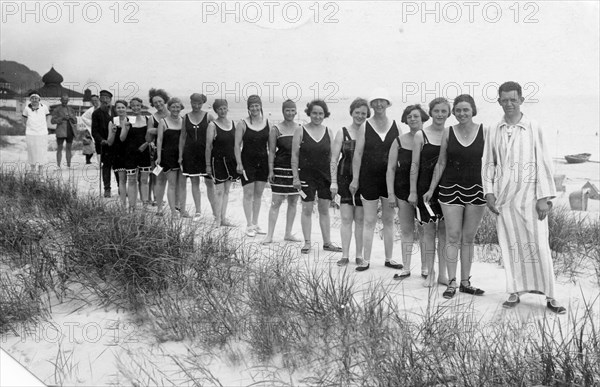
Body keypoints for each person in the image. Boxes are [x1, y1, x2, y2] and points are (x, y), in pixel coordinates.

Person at [483, 81, 565, 314]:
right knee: (511, 246)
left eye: (513, 99)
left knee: (539, 245)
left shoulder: (533, 126)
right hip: (504, 199)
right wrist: (488, 192)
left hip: (531, 197)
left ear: (521, 100)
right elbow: (488, 163)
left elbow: (544, 162)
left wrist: (544, 197)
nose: (509, 103)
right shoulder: (493, 129)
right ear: (499, 101)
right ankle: (515, 291)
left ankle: (550, 295)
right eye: (504, 100)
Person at [424, 95, 486, 299]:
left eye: (465, 110)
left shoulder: (485, 131)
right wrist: (432, 189)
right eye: (458, 110)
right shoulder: (449, 132)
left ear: (473, 110)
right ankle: (451, 282)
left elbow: (492, 163)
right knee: (452, 236)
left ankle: (465, 282)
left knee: (468, 238)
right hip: (450, 189)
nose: (461, 113)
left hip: (477, 189)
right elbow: (441, 163)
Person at [350, 89, 402, 271]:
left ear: (388, 104)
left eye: (383, 101)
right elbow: (358, 154)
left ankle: (389, 259)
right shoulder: (365, 125)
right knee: (369, 221)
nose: (379, 104)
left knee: (389, 220)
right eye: (376, 101)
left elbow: (401, 154)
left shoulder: (396, 125)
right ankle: (366, 260)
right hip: (368, 178)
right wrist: (355, 179)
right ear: (371, 105)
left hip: (389, 182)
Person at [387, 104, 440, 282]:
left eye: (416, 116)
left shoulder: (430, 138)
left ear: (424, 118)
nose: (413, 119)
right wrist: (390, 194)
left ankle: (426, 268)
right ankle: (406, 267)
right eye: (409, 116)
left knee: (426, 230)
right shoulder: (399, 141)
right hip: (403, 191)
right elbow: (391, 168)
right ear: (405, 119)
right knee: (407, 230)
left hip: (424, 191)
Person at [404, 101, 448, 286]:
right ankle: (430, 272)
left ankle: (443, 275)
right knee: (428, 232)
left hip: (446, 188)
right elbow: (414, 165)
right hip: (424, 190)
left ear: (448, 113)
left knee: (445, 233)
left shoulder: (450, 134)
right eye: (436, 111)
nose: (440, 114)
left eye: (443, 111)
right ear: (430, 113)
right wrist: (413, 191)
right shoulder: (421, 135)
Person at [291, 100, 342, 254]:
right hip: (306, 176)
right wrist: (295, 177)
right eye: (314, 113)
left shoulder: (329, 131)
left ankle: (327, 243)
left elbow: (333, 158)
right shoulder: (300, 130)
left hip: (325, 176)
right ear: (309, 113)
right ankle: (307, 243)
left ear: (325, 114)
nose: (317, 116)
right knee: (307, 209)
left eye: (320, 113)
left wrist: (334, 180)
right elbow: (294, 155)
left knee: (324, 210)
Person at [330, 98, 368, 266]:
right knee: (346, 218)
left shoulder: (369, 133)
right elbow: (333, 159)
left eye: (363, 113)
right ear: (351, 113)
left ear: (368, 115)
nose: (360, 116)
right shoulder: (342, 132)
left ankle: (359, 255)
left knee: (360, 220)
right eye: (357, 112)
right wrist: (333, 182)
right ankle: (345, 255)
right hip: (344, 179)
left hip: (363, 181)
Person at [262, 99, 302, 244]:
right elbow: (271, 151)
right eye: (287, 110)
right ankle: (269, 235)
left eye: (292, 110)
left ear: (296, 111)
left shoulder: (300, 128)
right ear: (283, 111)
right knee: (276, 202)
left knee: (293, 201)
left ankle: (288, 233)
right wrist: (270, 170)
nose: (290, 113)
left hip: (295, 170)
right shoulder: (275, 129)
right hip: (279, 169)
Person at [235, 95, 269, 236]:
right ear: (248, 108)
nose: (254, 108)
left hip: (263, 162)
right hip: (247, 162)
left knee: (258, 194)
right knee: (248, 194)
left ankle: (255, 223)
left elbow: (271, 146)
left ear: (260, 106)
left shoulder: (268, 123)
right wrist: (239, 163)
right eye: (252, 106)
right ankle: (249, 224)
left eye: (257, 105)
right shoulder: (242, 123)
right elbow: (237, 145)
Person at [179, 93, 216, 218]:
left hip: (205, 153)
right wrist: (180, 155)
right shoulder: (186, 117)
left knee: (209, 183)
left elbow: (216, 133)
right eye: (194, 103)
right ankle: (198, 210)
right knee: (194, 182)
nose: (196, 105)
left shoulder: (208, 116)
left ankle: (215, 211)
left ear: (203, 103)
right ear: (190, 102)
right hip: (190, 154)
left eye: (199, 103)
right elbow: (182, 137)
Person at [205, 99, 238, 226]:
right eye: (219, 109)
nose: (222, 111)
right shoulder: (212, 125)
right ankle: (217, 219)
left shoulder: (233, 124)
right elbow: (208, 147)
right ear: (216, 110)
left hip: (230, 160)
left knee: (226, 191)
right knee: (218, 191)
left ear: (227, 108)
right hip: (217, 161)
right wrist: (208, 165)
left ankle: (224, 218)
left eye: (224, 108)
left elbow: (236, 145)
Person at [156, 97, 187, 217]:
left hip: (182, 156)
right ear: (168, 108)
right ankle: (173, 211)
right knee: (172, 184)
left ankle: (182, 210)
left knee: (182, 185)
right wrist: (158, 156)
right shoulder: (163, 122)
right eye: (173, 107)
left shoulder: (184, 120)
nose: (175, 109)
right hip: (168, 156)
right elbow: (159, 140)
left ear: (181, 108)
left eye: (178, 107)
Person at [119, 97, 151, 210]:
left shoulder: (147, 119)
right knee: (131, 180)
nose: (136, 108)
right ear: (130, 107)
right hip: (130, 153)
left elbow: (151, 137)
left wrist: (146, 144)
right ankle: (132, 206)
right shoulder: (126, 119)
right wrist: (126, 128)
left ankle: (145, 204)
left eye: (138, 105)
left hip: (144, 152)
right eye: (133, 106)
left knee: (144, 180)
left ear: (141, 106)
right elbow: (122, 139)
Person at [92, 90, 118, 197]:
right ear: (100, 100)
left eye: (107, 98)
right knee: (106, 166)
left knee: (118, 166)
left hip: (116, 143)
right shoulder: (96, 113)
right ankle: (107, 188)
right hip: (104, 144)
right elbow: (94, 131)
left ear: (110, 100)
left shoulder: (116, 111)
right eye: (102, 98)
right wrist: (101, 140)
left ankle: (121, 187)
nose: (105, 101)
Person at [146, 88, 170, 206]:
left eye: (160, 101)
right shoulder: (152, 118)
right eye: (155, 103)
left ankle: (175, 203)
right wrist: (154, 130)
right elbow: (148, 138)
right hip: (158, 152)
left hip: (173, 151)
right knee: (157, 177)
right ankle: (157, 199)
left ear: (164, 100)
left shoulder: (173, 114)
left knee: (172, 179)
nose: (158, 104)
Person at [107, 100, 130, 209]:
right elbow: (109, 141)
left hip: (130, 151)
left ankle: (132, 202)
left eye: (123, 107)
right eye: (118, 107)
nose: (120, 109)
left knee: (132, 179)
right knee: (121, 179)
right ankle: (123, 204)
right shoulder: (112, 121)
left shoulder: (131, 120)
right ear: (115, 109)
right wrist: (114, 132)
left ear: (126, 108)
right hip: (117, 152)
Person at [22, 92, 50, 175]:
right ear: (30, 100)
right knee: (31, 151)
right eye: (32, 98)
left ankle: (41, 170)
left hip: (42, 133)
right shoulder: (27, 108)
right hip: (30, 133)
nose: (34, 100)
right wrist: (28, 126)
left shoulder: (44, 107)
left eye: (36, 98)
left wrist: (44, 125)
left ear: (39, 99)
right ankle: (33, 169)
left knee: (42, 151)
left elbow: (47, 117)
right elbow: (23, 119)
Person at [51, 94, 77, 168]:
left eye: (66, 100)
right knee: (59, 148)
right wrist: (62, 118)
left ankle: (69, 165)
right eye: (63, 100)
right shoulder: (57, 109)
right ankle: (58, 165)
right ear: (61, 100)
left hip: (70, 131)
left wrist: (71, 117)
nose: (65, 102)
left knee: (69, 148)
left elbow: (75, 121)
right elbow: (52, 121)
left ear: (68, 101)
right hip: (60, 131)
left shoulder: (71, 109)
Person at [80, 94, 99, 164]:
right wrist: (92, 124)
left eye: (96, 100)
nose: (94, 102)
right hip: (95, 131)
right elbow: (83, 117)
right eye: (93, 101)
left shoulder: (103, 108)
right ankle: (100, 163)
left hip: (104, 130)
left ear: (98, 99)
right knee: (97, 147)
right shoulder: (91, 110)